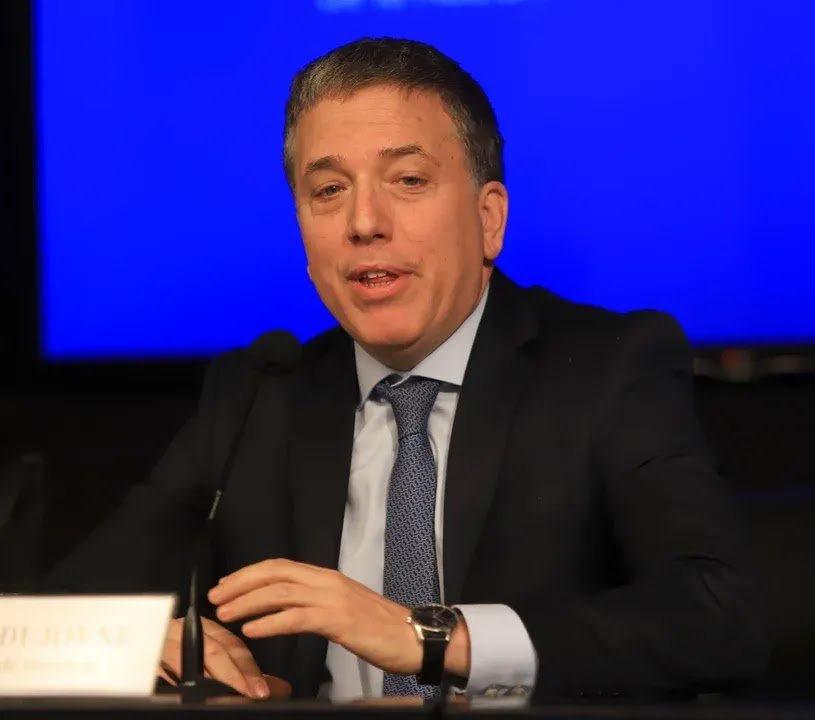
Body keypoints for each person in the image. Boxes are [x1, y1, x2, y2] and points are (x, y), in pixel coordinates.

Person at [47, 37, 768, 702]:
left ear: (489, 219)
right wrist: (141, 641)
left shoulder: (606, 367)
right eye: (329, 191)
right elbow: (48, 619)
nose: (364, 222)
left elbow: (719, 617)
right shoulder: (259, 394)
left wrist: (429, 637)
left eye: (409, 179)